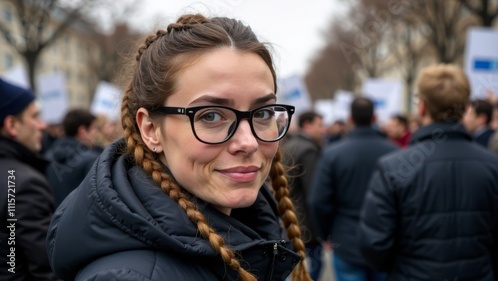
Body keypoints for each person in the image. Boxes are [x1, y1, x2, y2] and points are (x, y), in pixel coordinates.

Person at [46, 13, 312, 281]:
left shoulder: (248, 231)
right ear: (151, 130)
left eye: (263, 113)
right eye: (211, 115)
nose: (248, 142)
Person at [359, 64, 498, 280]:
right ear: (465, 107)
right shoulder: (494, 166)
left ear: (422, 107)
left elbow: (374, 246)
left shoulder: (393, 167)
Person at [309, 97, 398, 281]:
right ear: (375, 118)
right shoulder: (394, 151)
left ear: (350, 118)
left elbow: (318, 200)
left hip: (346, 239)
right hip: (385, 239)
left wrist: (325, 233)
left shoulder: (333, 153)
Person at [0, 79, 59, 280]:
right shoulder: (23, 185)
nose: (42, 125)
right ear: (12, 125)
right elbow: (48, 270)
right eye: (35, 116)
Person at [281, 111, 325, 280]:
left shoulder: (291, 144)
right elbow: (314, 193)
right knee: (310, 270)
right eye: (320, 125)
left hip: (290, 218)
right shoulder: (308, 150)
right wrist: (322, 229)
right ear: (307, 125)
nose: (323, 130)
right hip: (305, 224)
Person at [44, 108, 102, 206]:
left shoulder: (47, 156)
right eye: (93, 129)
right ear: (83, 131)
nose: (96, 134)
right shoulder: (91, 160)